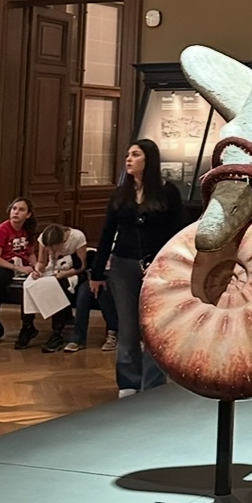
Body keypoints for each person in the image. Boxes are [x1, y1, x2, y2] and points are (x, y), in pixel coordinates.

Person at [92, 140, 185, 397]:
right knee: (128, 327)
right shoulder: (120, 194)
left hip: (158, 267)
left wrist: (173, 265)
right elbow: (107, 233)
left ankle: (152, 384)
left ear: (149, 159)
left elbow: (178, 232)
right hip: (123, 265)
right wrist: (97, 272)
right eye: (128, 155)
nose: (129, 159)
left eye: (135, 154)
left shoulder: (168, 192)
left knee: (154, 327)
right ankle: (128, 382)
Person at [0, 197, 38, 346]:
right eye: (14, 209)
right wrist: (17, 268)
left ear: (28, 215)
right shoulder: (1, 230)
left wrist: (37, 267)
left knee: (35, 283)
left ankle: (28, 326)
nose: (16, 212)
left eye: (21, 210)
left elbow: (31, 254)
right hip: (4, 265)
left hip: (24, 265)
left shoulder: (28, 231)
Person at [29, 223, 89, 355]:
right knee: (30, 284)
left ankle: (57, 332)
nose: (51, 250)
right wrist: (37, 271)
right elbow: (42, 262)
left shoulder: (77, 237)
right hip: (53, 271)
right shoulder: (43, 238)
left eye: (54, 247)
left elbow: (81, 266)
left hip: (72, 272)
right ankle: (27, 327)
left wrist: (62, 275)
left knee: (57, 286)